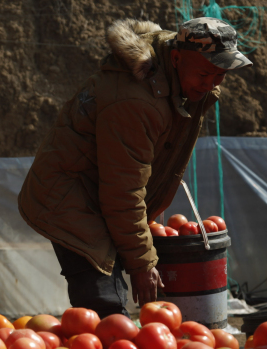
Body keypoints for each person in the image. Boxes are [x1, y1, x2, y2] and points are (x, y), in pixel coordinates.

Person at [18, 17, 251, 318]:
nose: (210, 84)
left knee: (128, 300)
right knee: (105, 303)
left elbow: (149, 165)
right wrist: (142, 263)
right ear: (177, 58)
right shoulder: (136, 100)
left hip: (105, 190)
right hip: (69, 196)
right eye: (204, 74)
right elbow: (123, 190)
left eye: (220, 76)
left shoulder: (175, 69)